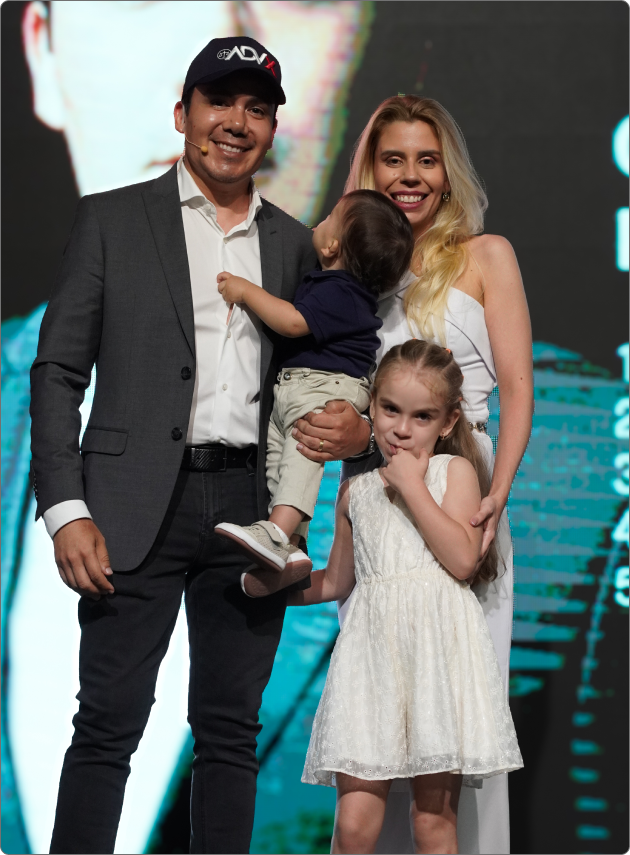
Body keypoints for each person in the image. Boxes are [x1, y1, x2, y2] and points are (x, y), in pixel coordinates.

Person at [6, 4, 371, 850]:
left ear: (271, 128)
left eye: (256, 107)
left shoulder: (294, 247)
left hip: (247, 506)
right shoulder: (112, 220)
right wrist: (66, 507)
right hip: (129, 501)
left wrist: (351, 433)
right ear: (185, 113)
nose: (235, 122)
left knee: (228, 733)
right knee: (106, 726)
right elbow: (59, 372)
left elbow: (319, 376)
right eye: (218, 101)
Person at [292, 95, 533, 854]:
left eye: (426, 160)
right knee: (376, 734)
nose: (410, 176)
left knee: (459, 720)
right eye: (392, 159)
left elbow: (519, 387)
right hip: (377, 505)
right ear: (370, 166)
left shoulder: (487, 255)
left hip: (464, 496)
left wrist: (498, 492)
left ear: (447, 170)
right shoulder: (353, 269)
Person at [290, 340, 523, 855]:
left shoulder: (453, 472)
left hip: (436, 663)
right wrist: (270, 592)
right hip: (370, 664)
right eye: (390, 409)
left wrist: (413, 486)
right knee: (353, 826)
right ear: (371, 405)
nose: (401, 428)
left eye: (422, 416)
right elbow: (337, 582)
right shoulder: (355, 491)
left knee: (432, 823)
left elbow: (462, 560)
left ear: (448, 421)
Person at [214, 189, 414, 596]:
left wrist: (245, 291)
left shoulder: (341, 290)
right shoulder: (339, 285)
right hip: (302, 385)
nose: (317, 223)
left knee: (301, 457)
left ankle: (276, 532)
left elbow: (292, 322)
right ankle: (291, 548)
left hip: (324, 386)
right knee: (280, 461)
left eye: (329, 218)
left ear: (331, 246)